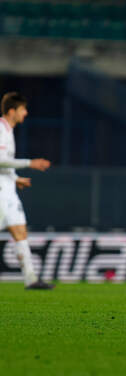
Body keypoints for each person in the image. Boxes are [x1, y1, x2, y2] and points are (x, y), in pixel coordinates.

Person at [0, 92, 53, 289]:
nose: (26, 113)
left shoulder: (8, 130)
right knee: (19, 231)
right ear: (12, 111)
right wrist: (30, 163)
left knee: (20, 231)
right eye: (23, 109)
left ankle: (31, 279)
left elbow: (4, 165)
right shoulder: (0, 128)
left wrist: (15, 178)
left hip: (7, 190)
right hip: (0, 193)